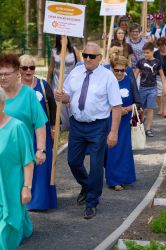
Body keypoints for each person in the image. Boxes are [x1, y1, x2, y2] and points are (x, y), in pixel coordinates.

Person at [54, 42, 122, 219]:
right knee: (73, 161)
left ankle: (92, 201)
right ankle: (87, 185)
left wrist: (113, 132)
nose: (88, 59)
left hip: (98, 126)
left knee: (96, 165)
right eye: (85, 55)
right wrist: (63, 97)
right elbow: (69, 96)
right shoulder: (76, 72)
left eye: (92, 56)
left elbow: (116, 106)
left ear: (99, 58)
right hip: (77, 124)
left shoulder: (108, 77)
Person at [19, 54, 57, 211]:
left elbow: (53, 108)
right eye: (25, 68)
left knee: (41, 166)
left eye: (32, 67)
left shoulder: (43, 85)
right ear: (19, 69)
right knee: (23, 165)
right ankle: (22, 198)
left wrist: (54, 128)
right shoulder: (14, 86)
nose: (29, 71)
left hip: (42, 132)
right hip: (21, 132)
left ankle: (39, 202)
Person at [0, 79, 34, 249]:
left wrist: (26, 187)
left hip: (11, 186)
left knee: (6, 233)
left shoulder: (17, 127)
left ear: (2, 103)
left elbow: (28, 161)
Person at [0, 54, 47, 166]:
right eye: (0, 74)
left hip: (20, 156)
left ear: (17, 73)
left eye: (6, 74)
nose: (2, 77)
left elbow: (40, 123)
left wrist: (41, 150)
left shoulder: (28, 94)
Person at [106, 56, 141, 191]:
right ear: (112, 69)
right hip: (110, 121)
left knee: (124, 151)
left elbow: (138, 103)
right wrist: (114, 109)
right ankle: (114, 180)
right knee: (113, 150)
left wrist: (125, 109)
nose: (119, 73)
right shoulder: (108, 82)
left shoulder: (130, 81)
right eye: (116, 70)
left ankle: (125, 178)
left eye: (122, 70)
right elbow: (101, 102)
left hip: (125, 122)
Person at [47, 35, 80, 131]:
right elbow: (51, 67)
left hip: (72, 81)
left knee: (71, 103)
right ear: (58, 39)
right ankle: (60, 127)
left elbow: (80, 65)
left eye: (65, 37)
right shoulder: (54, 51)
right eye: (61, 38)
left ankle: (73, 126)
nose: (63, 40)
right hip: (58, 82)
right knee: (58, 105)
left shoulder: (74, 50)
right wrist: (47, 81)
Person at [134, 42, 166, 137]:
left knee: (150, 108)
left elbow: (162, 75)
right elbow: (135, 74)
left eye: (147, 52)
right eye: (144, 53)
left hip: (153, 88)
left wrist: (164, 86)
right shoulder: (141, 62)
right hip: (142, 88)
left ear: (152, 52)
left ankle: (148, 128)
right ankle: (139, 124)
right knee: (141, 109)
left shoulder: (157, 62)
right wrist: (132, 86)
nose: (145, 55)